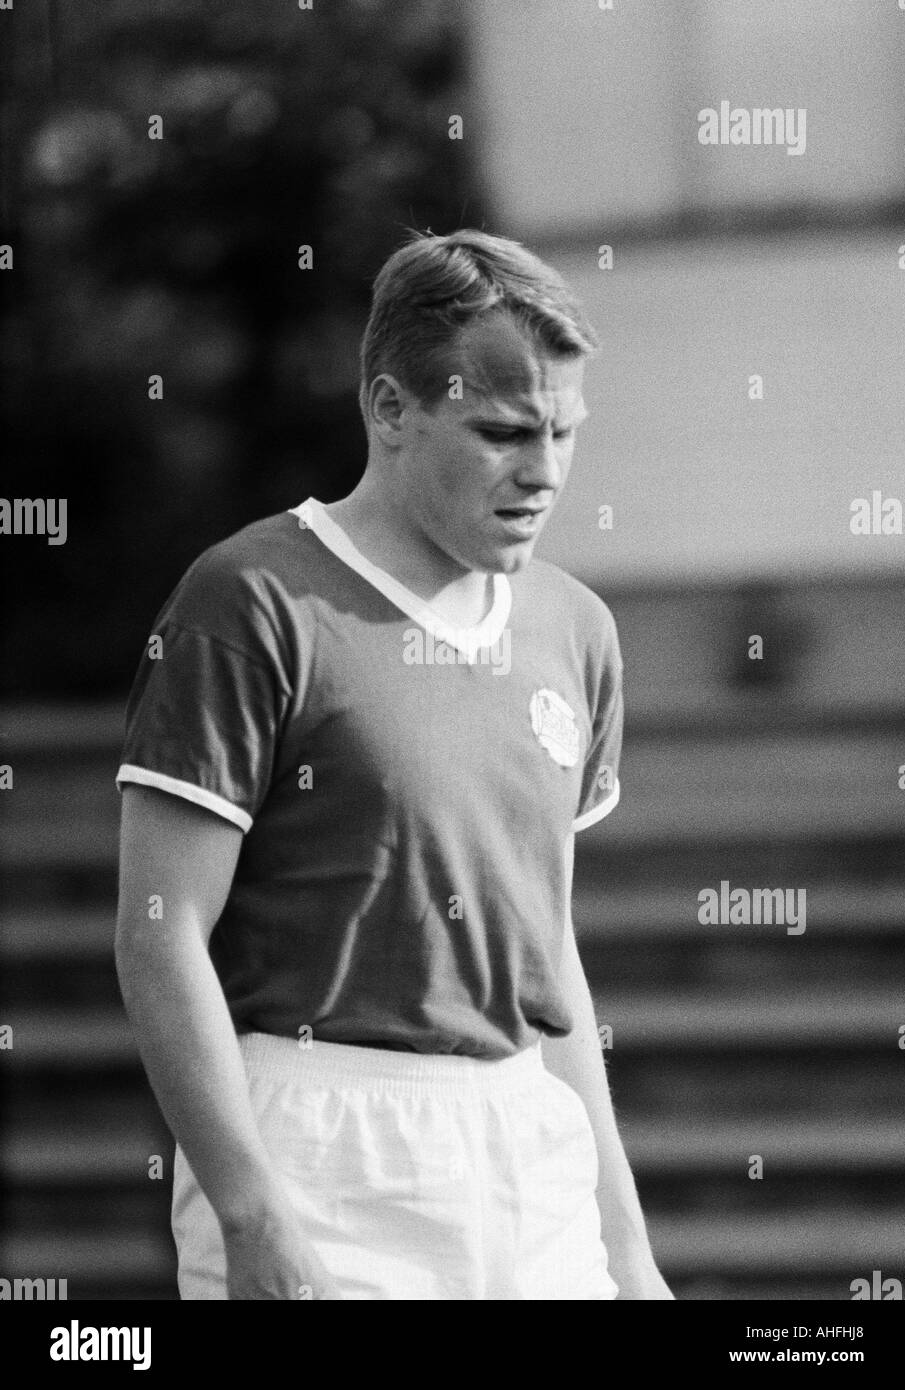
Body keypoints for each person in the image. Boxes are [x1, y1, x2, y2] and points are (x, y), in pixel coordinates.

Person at [114, 228, 673, 1301]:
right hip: (320, 1147)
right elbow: (159, 930)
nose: (543, 471)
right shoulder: (250, 600)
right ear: (390, 409)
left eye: (562, 431)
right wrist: (250, 1206)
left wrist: (626, 1247)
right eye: (502, 432)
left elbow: (547, 955)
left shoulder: (575, 628)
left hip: (527, 1147)